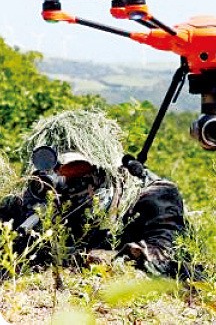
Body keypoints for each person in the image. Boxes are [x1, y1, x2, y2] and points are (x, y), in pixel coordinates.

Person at [0, 109, 186, 278]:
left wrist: (106, 259)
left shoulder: (154, 196)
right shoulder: (35, 195)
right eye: (51, 168)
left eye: (74, 168)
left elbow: (164, 262)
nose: (62, 178)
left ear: (102, 169)